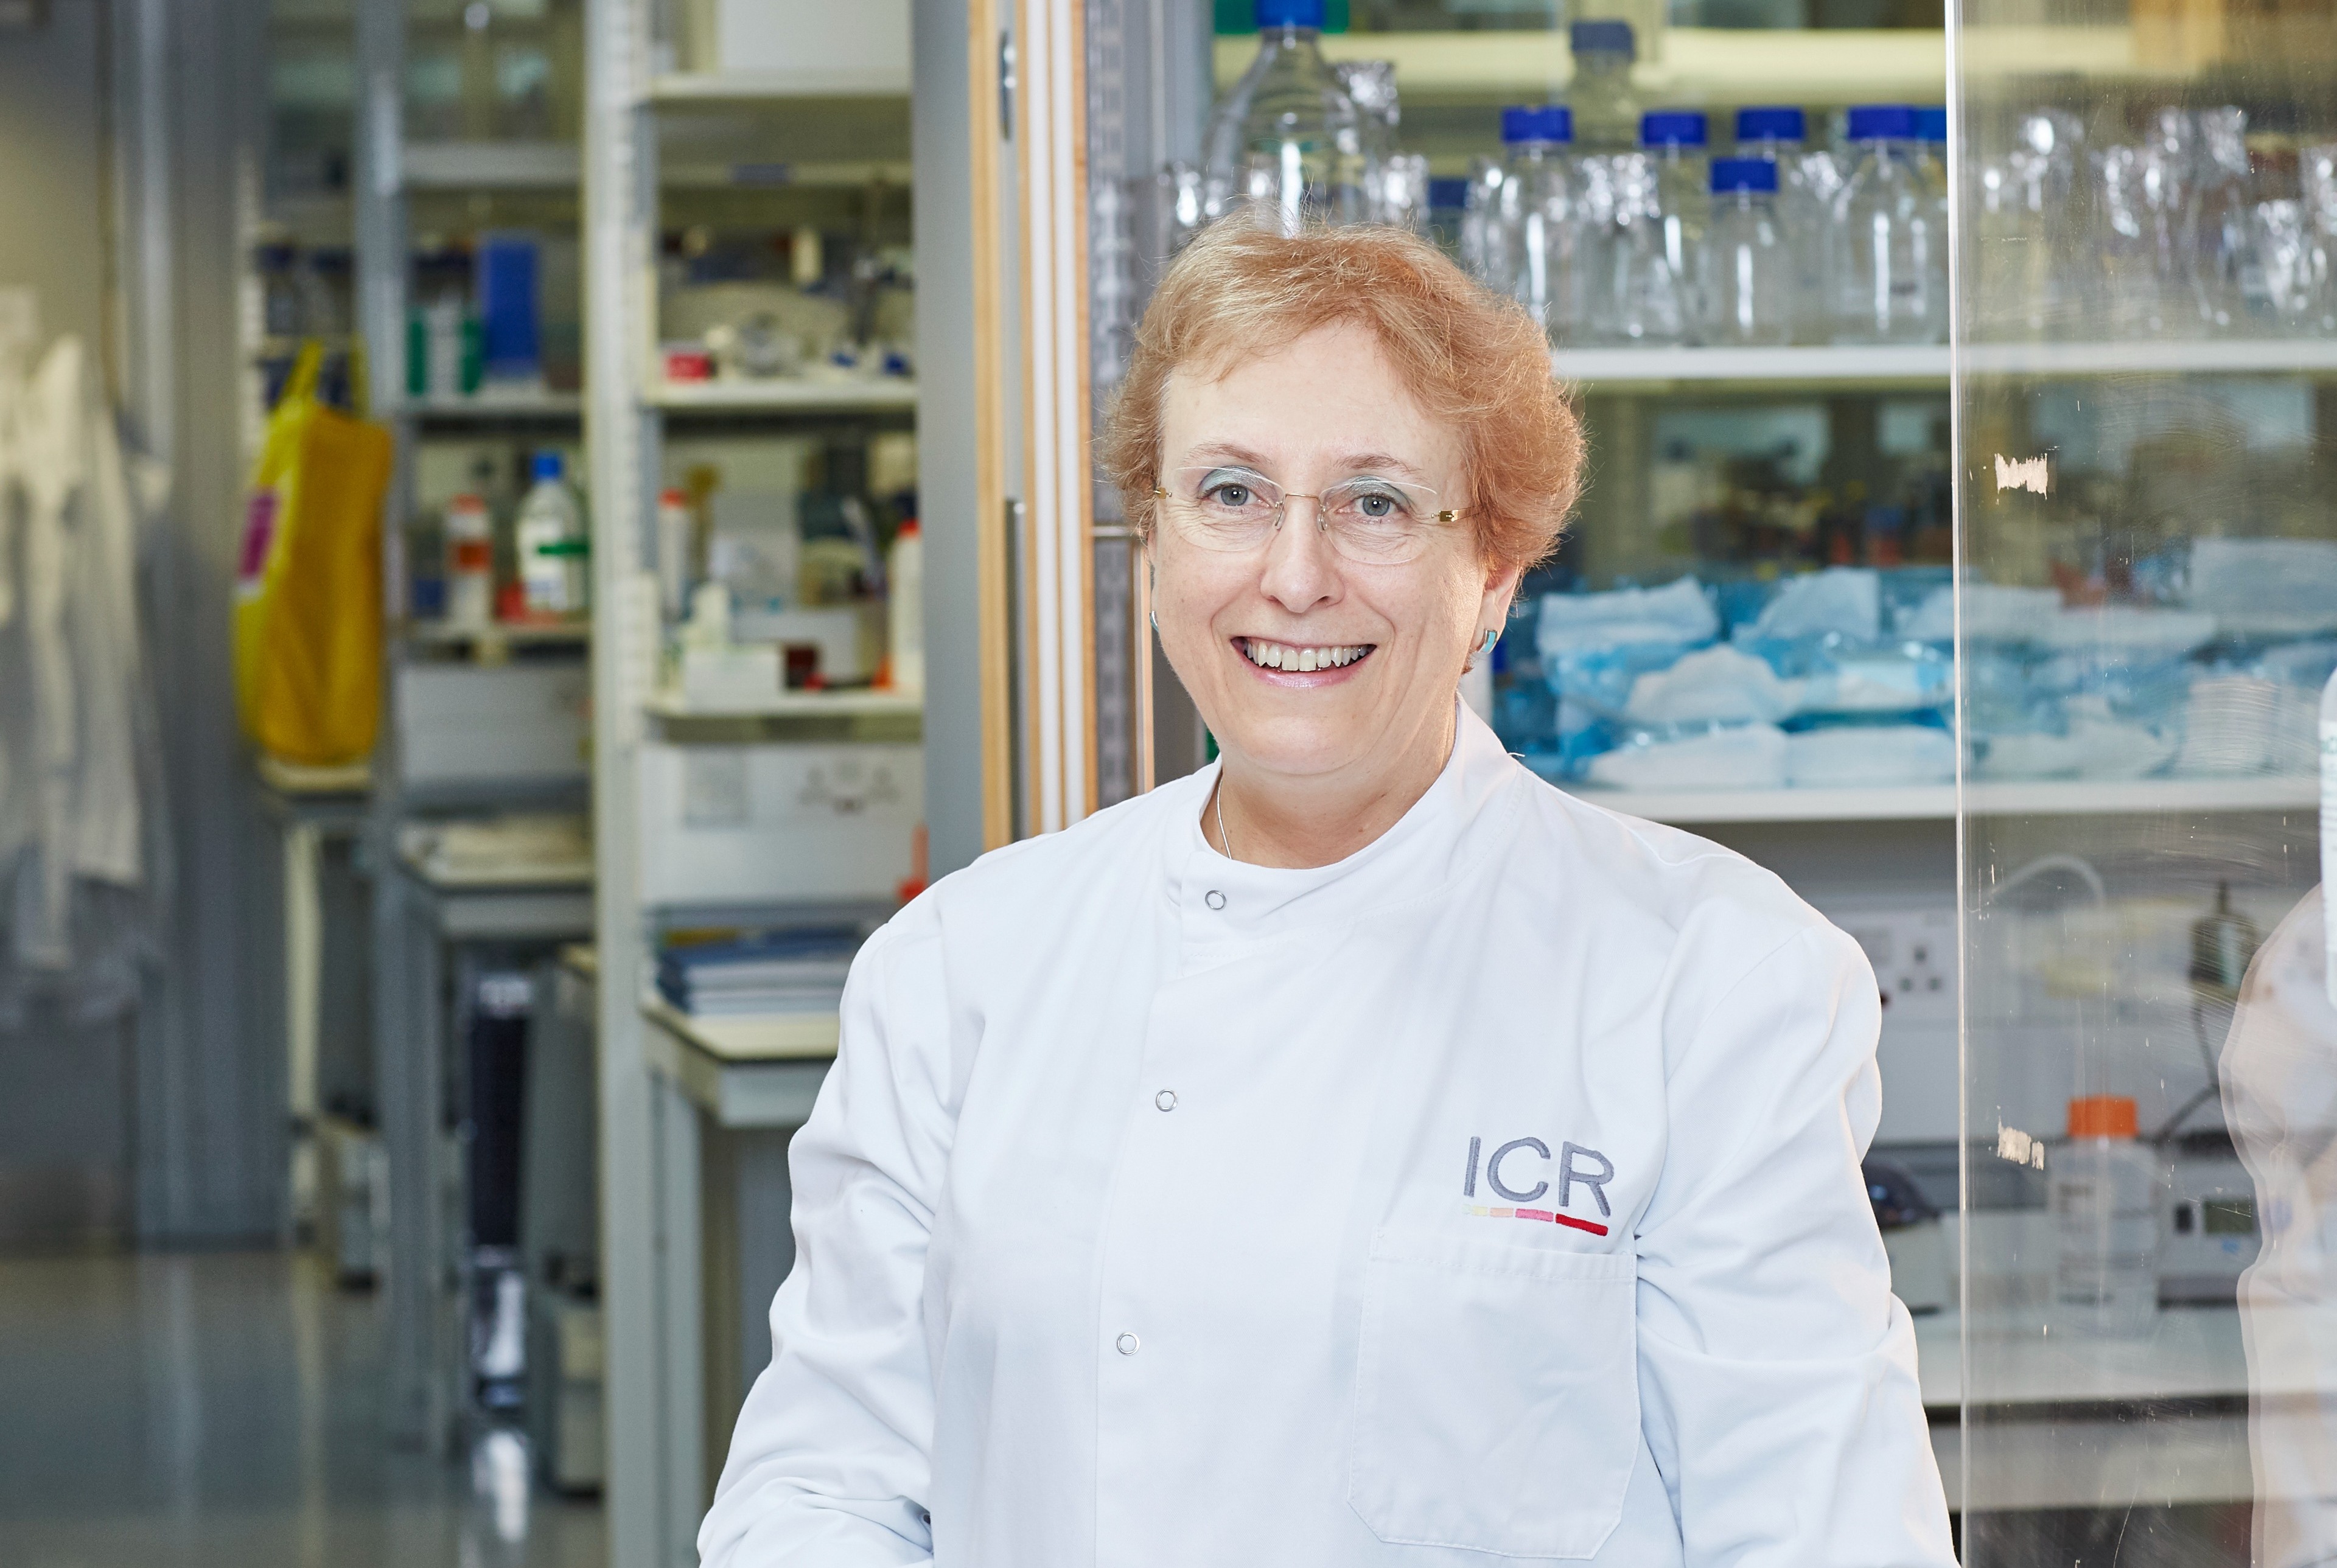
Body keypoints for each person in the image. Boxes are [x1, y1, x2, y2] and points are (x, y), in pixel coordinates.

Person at [699, 217, 1955, 1567]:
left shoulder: (1712, 977)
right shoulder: (963, 968)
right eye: (1230, 492)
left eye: (1375, 503)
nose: (1295, 576)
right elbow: (823, 1485)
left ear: (1499, 569)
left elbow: (1822, 1532)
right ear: (1155, 541)